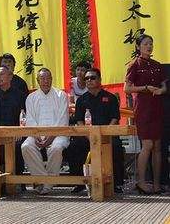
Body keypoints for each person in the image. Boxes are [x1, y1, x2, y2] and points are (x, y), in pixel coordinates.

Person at [65, 68, 124, 193]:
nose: (89, 80)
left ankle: (116, 183)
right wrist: (90, 136)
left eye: (92, 78)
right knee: (74, 146)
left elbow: (115, 118)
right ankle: (80, 182)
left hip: (107, 134)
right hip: (88, 135)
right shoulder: (81, 100)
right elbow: (79, 121)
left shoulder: (111, 98)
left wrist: (105, 135)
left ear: (100, 80)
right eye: (86, 78)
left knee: (116, 146)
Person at [124, 34, 167, 194]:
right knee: (147, 145)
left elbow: (164, 86)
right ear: (138, 46)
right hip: (143, 109)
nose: (149, 46)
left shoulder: (157, 65)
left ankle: (156, 184)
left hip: (157, 107)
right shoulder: (134, 65)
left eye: (151, 43)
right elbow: (127, 89)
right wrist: (145, 88)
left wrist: (161, 90)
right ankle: (141, 182)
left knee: (157, 147)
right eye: (146, 44)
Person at [21, 68, 69, 195]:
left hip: (58, 134)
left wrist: (51, 137)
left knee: (56, 148)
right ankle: (44, 180)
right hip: (36, 134)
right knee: (26, 146)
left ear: (52, 79)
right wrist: (36, 135)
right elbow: (30, 120)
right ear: (38, 81)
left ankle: (45, 184)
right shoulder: (31, 98)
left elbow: (63, 119)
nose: (46, 81)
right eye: (42, 78)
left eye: (48, 78)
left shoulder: (61, 95)